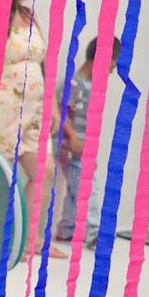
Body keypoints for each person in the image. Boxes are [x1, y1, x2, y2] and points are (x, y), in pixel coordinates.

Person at [0, 0, 64, 259]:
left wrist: (52, 106)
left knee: (45, 172)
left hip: (34, 113)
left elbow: (44, 63)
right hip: (3, 113)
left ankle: (32, 242)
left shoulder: (29, 16)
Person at [56, 36, 119, 248]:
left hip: (84, 146)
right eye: (111, 66)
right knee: (86, 186)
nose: (111, 72)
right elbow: (59, 112)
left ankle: (66, 230)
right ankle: (93, 231)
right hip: (72, 145)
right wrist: (72, 136)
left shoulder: (91, 86)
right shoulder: (74, 84)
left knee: (77, 187)